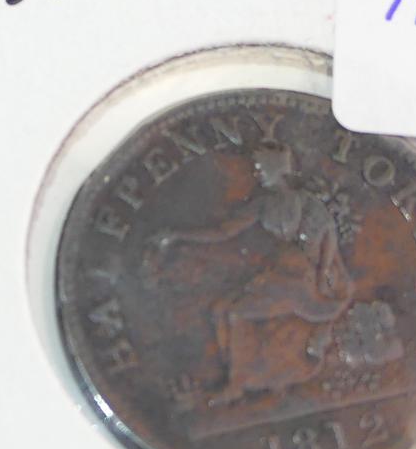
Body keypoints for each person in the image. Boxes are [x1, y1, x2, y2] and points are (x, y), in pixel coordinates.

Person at [145, 143, 353, 407]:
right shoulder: (263, 203)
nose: (257, 172)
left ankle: (237, 385)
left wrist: (322, 278)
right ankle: (239, 372)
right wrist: (178, 235)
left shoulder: (307, 204)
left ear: (276, 169)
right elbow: (223, 231)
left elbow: (328, 239)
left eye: (261, 167)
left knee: (236, 314)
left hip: (299, 282)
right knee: (220, 309)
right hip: (279, 278)